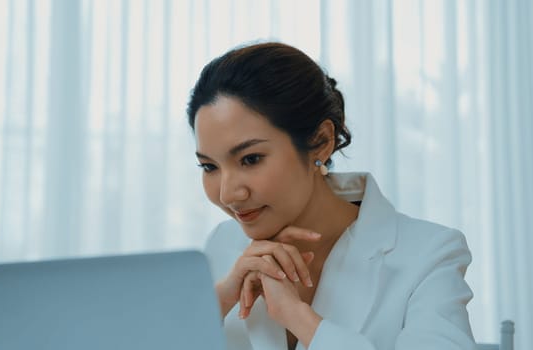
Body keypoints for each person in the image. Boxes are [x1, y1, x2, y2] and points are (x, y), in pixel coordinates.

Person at [186, 42, 476, 350]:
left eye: (251, 159)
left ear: (320, 142)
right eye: (209, 166)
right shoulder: (223, 246)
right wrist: (217, 302)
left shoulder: (429, 254)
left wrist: (300, 318)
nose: (228, 193)